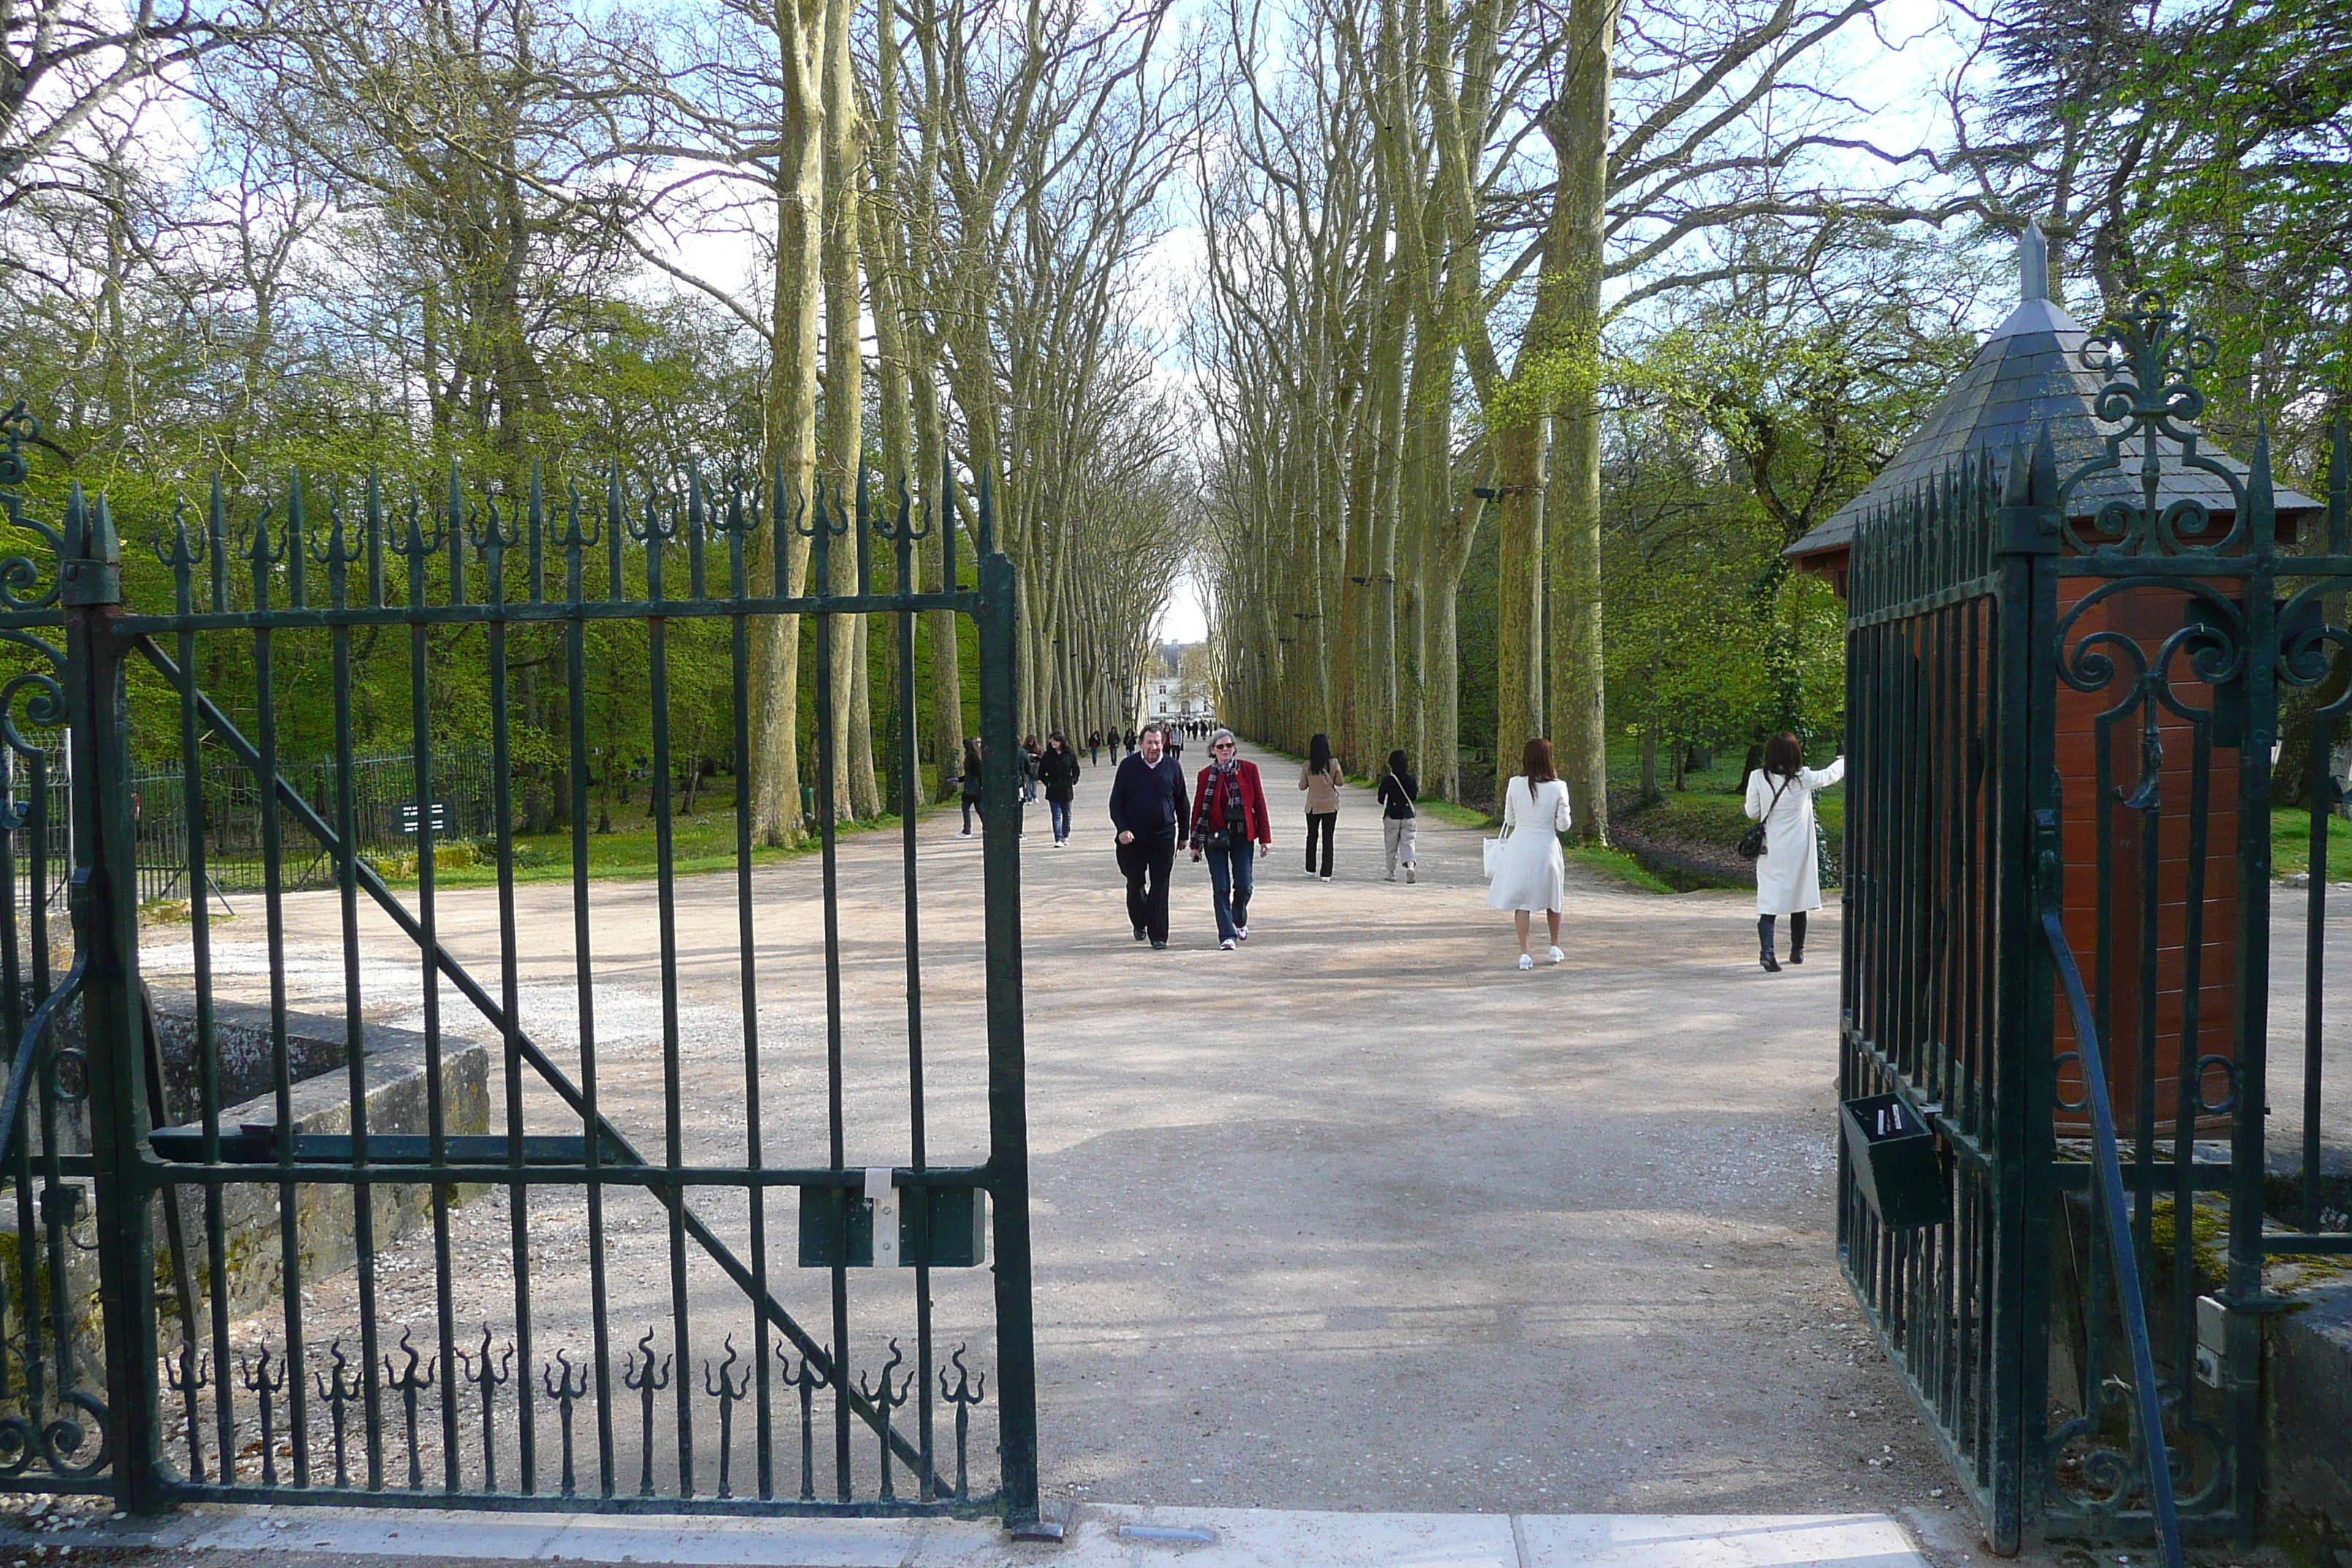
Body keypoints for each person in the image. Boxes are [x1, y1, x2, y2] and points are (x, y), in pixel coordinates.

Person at [1745, 733, 1846, 972]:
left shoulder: (1758, 778)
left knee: (1769, 901)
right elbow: (1830, 775)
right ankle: (1797, 951)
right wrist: (1843, 760)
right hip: (1799, 848)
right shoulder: (1804, 778)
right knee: (1799, 896)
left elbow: (1752, 812)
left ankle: (1767, 952)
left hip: (1771, 849)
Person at [1486, 736, 1573, 970]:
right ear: (1549, 759)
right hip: (1547, 847)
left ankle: (1525, 953)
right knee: (1553, 899)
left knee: (1522, 902)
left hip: (1520, 847)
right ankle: (1554, 946)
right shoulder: (1559, 787)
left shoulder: (1514, 784)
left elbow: (1510, 819)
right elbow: (1563, 825)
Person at [1188, 728, 1272, 949]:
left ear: (1234, 748)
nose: (1225, 750)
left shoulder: (1249, 770)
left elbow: (1259, 804)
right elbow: (1199, 808)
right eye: (1220, 747)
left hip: (1243, 835)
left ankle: (1239, 918)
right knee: (1221, 886)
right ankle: (1227, 935)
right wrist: (1195, 844)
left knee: (1244, 885)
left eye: (1229, 746)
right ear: (1213, 751)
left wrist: (1265, 838)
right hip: (1215, 836)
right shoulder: (1205, 775)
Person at [1108, 725, 1188, 949]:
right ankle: (1139, 921)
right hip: (1132, 837)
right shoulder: (1128, 767)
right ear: (1140, 743)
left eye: (1158, 742)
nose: (1154, 747)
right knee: (1136, 884)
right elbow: (1116, 803)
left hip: (1163, 835)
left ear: (1164, 743)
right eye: (1149, 742)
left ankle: (1159, 935)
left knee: (1160, 886)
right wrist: (1122, 829)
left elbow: (1182, 803)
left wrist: (1184, 834)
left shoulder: (1173, 767)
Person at [1298, 732, 1343, 880]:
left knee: (1312, 836)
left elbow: (1302, 786)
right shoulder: (1334, 763)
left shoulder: (1308, 765)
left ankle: (1310, 869)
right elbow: (1340, 782)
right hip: (1330, 806)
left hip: (1313, 806)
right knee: (1328, 839)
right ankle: (1326, 873)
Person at [1376, 748, 1418, 883]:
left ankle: (1391, 872)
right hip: (1408, 816)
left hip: (1392, 817)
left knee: (1391, 845)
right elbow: (1414, 797)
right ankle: (1410, 866)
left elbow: (1380, 799)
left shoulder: (1388, 780)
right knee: (1408, 843)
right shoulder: (1411, 779)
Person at [1040, 731, 1080, 847]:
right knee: (1056, 815)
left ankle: (1066, 835)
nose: (1053, 743)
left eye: (1056, 740)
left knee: (1067, 814)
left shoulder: (1069, 754)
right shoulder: (1047, 755)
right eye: (1052, 740)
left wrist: (1073, 780)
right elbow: (1041, 772)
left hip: (1066, 788)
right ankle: (1058, 838)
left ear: (1061, 741)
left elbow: (1076, 769)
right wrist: (1048, 783)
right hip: (1053, 789)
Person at [957, 738, 985, 838]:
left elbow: (973, 774)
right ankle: (986, 827)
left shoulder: (970, 757)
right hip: (976, 787)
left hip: (971, 788)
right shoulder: (975, 756)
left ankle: (967, 830)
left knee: (966, 807)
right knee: (979, 809)